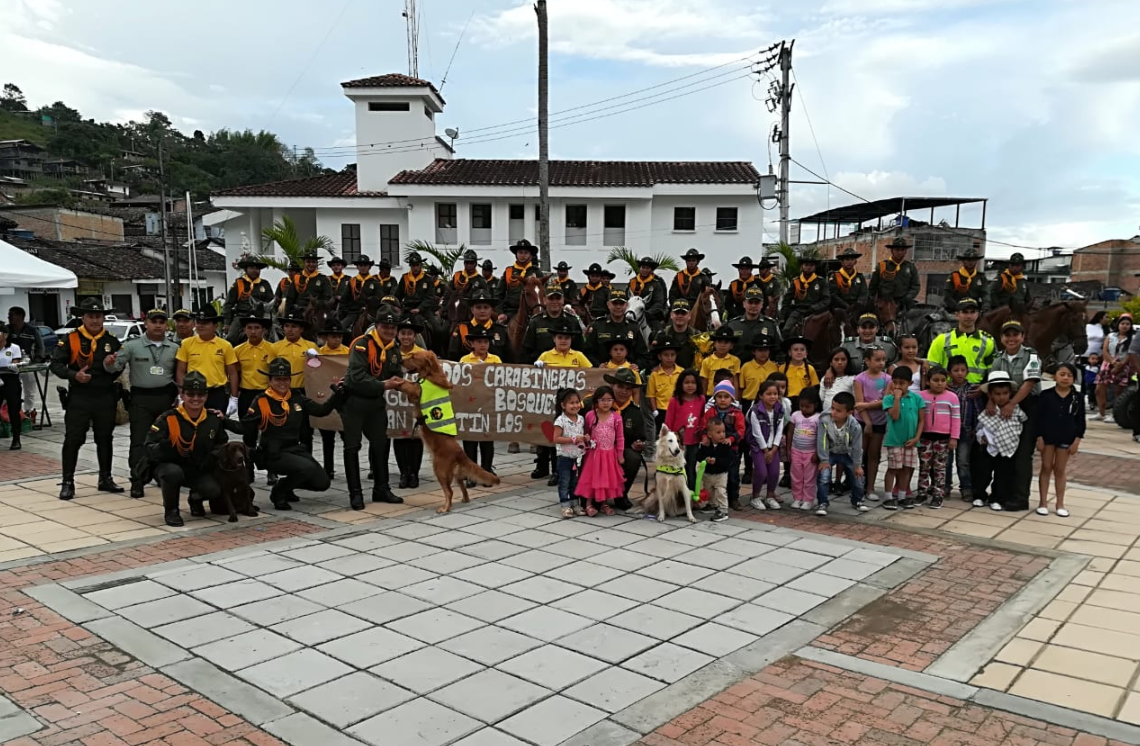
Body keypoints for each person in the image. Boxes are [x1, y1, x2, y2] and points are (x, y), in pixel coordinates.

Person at [243, 358, 343, 510]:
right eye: (277, 379)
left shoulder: (296, 397)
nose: (282, 383)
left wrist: (337, 395)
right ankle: (279, 493)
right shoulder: (261, 400)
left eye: (285, 379)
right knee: (306, 468)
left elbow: (321, 411)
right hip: (273, 454)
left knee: (322, 482)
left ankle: (286, 485)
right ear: (270, 380)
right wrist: (222, 420)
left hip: (294, 450)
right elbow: (244, 427)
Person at [51, 298, 124, 500]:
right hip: (80, 397)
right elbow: (55, 365)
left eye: (98, 316)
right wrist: (75, 375)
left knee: (105, 438)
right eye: (90, 316)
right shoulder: (70, 339)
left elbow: (120, 367)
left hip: (105, 396)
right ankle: (67, 482)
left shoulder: (111, 341)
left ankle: (105, 478)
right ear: (82, 317)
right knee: (73, 439)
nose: (94, 320)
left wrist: (111, 367)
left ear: (103, 318)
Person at [105, 309, 179, 496]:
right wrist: (108, 363)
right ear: (146, 323)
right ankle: (137, 479)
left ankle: (164, 476)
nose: (158, 325)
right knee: (139, 442)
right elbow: (115, 366)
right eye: (154, 321)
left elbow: (180, 374)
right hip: (141, 399)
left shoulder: (174, 348)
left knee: (166, 440)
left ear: (166, 325)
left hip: (165, 399)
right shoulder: (132, 346)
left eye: (162, 322)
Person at [143, 371, 228, 526]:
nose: (196, 399)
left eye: (200, 394)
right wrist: (166, 447)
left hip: (196, 467)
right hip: (169, 465)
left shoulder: (212, 419)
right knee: (172, 473)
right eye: (191, 394)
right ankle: (172, 511)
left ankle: (195, 498)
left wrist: (213, 456)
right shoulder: (168, 418)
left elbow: (221, 443)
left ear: (206, 396)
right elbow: (149, 447)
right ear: (182, 394)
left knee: (213, 490)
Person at [342, 308, 406, 509]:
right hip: (354, 402)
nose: (389, 330)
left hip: (376, 403)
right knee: (352, 447)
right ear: (376, 326)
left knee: (381, 444)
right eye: (385, 326)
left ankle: (381, 488)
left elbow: (396, 372)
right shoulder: (362, 345)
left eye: (393, 327)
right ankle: (355, 493)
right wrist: (384, 384)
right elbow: (356, 377)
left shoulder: (394, 349)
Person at [988, 319, 1041, 512]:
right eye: (1007, 335)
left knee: (1022, 455)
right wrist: (991, 402)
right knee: (1005, 452)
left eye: (1015, 334)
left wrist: (1012, 403)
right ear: (1001, 338)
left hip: (1027, 406)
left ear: (1022, 336)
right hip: (1004, 406)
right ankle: (1003, 495)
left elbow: (1029, 383)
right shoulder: (997, 359)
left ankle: (1020, 498)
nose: (1011, 339)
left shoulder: (1032, 356)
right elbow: (992, 385)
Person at [973, 370, 1027, 510]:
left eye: (1005, 393)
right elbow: (980, 426)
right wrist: (981, 437)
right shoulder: (989, 411)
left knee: (1002, 475)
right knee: (983, 473)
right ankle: (979, 495)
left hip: (1007, 449)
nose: (1001, 397)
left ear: (1010, 393)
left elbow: (1019, 425)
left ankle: (997, 498)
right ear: (990, 395)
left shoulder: (1016, 410)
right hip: (988, 447)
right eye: (997, 394)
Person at [1036, 362, 1084, 518]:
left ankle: (1060, 504)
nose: (1065, 378)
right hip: (1048, 436)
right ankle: (1043, 503)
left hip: (1067, 437)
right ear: (1055, 376)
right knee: (1046, 467)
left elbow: (1081, 420)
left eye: (1069, 375)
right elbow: (1039, 418)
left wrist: (1077, 440)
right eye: (1062, 374)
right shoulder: (1046, 395)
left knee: (1060, 470)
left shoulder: (1077, 397)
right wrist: (1039, 437)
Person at [233, 316, 275, 484]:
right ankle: (248, 470)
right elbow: (235, 374)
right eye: (249, 328)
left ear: (263, 330)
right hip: (247, 395)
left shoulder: (272, 349)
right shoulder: (238, 350)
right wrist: (234, 398)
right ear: (244, 330)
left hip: (267, 395)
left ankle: (272, 471)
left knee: (270, 434)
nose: (253, 331)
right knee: (248, 435)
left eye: (257, 328)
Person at [175, 307, 239, 415]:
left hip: (216, 393)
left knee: (216, 427)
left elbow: (232, 373)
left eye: (205, 323)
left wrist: (234, 398)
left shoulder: (225, 345)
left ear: (215, 326)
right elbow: (180, 371)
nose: (200, 326)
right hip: (193, 393)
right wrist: (181, 395)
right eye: (198, 322)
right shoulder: (186, 344)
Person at [270, 312, 319, 452]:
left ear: (301, 329)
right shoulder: (276, 347)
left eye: (294, 326)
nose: (289, 329)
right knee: (284, 430)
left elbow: (318, 371)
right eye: (286, 326)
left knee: (305, 431)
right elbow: (270, 373)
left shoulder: (311, 346)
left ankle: (307, 464)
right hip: (282, 393)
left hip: (303, 392)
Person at [815, 391, 867, 516]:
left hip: (847, 454)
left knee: (858, 477)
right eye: (832, 408)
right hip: (830, 453)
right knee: (824, 476)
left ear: (849, 412)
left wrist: (857, 465)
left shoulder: (855, 426)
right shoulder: (824, 420)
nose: (833, 412)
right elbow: (822, 441)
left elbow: (857, 446)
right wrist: (824, 460)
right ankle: (822, 502)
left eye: (838, 410)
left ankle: (857, 500)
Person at [576, 384, 625, 516]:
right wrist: (586, 441)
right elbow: (586, 433)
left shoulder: (616, 417)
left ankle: (604, 503)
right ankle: (588, 504)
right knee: (592, 478)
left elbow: (620, 437)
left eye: (609, 400)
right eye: (602, 399)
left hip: (609, 454)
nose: (606, 403)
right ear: (596, 400)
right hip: (594, 454)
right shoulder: (590, 415)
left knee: (606, 479)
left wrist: (620, 454)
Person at [881, 366, 925, 510]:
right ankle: (888, 497)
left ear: (910, 384)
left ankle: (901, 496)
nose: (898, 386)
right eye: (895, 383)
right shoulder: (888, 399)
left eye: (902, 383)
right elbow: (894, 415)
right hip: (895, 441)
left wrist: (916, 438)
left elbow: (921, 421)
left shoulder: (917, 399)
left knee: (907, 468)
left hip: (911, 441)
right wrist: (897, 399)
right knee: (893, 468)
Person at [459, 326, 500, 479]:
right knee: (470, 440)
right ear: (472, 343)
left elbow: (501, 379)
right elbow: (461, 382)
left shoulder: (495, 359)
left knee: (487, 439)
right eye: (479, 341)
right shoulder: (464, 360)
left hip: (489, 404)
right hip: (470, 405)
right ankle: (471, 471)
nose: (483, 345)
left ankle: (487, 469)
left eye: (486, 341)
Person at [917, 366, 960, 509]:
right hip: (925, 437)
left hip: (943, 439)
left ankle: (938, 494)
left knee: (940, 468)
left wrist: (954, 437)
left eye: (943, 380)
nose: (939, 383)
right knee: (924, 465)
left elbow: (956, 418)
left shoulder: (952, 397)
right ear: (928, 381)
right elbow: (918, 416)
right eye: (935, 380)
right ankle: (922, 492)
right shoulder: (921, 396)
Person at [925, 298, 995, 384]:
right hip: (947, 390)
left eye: (972, 312)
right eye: (965, 312)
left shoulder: (988, 340)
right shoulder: (942, 339)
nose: (969, 316)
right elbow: (932, 366)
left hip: (975, 391)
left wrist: (983, 387)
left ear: (978, 314)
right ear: (957, 315)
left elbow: (993, 370)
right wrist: (942, 384)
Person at [700, 379, 745, 510]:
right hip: (713, 450)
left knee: (732, 475)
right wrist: (704, 436)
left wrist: (731, 438)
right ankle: (711, 500)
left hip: (731, 450)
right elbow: (703, 426)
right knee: (711, 476)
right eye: (719, 397)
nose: (723, 400)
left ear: (732, 398)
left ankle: (734, 498)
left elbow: (741, 430)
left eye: (726, 397)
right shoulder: (710, 412)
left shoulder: (737, 413)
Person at [607, 368, 648, 510]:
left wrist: (639, 444)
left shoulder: (635, 412)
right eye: (620, 387)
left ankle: (621, 495)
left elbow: (640, 437)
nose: (623, 392)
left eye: (628, 389)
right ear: (612, 386)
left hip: (622, 452)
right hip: (599, 450)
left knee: (634, 457)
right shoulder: (600, 405)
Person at [393, 316, 426, 489]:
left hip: (416, 401)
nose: (406, 337)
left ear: (415, 336)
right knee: (399, 437)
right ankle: (403, 472)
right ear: (397, 335)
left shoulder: (422, 353)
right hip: (395, 402)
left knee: (416, 437)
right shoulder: (391, 352)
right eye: (403, 333)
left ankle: (414, 473)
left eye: (409, 334)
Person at [854, 347, 890, 502]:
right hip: (861, 421)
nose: (881, 363)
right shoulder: (859, 379)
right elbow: (858, 403)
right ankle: (857, 485)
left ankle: (870, 487)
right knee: (859, 454)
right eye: (877, 359)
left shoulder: (888, 379)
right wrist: (867, 422)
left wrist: (867, 406)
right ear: (867, 361)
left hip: (879, 422)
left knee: (873, 455)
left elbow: (886, 401)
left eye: (883, 360)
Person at [317, 320, 350, 480]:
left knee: (347, 436)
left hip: (343, 398)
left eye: (339, 336)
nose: (336, 340)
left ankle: (350, 465)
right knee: (327, 437)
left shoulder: (349, 353)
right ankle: (328, 468)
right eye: (333, 336)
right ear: (326, 337)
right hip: (326, 396)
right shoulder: (317, 354)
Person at [584, 288, 648, 370]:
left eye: (621, 304)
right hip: (602, 374)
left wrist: (637, 365)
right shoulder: (597, 325)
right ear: (608, 305)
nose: (618, 307)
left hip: (628, 375)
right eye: (615, 303)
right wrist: (598, 365)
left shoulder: (634, 327)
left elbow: (644, 355)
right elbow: (587, 352)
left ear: (626, 305)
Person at [745, 380, 784, 511]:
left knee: (774, 472)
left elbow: (779, 430)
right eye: (769, 394)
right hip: (758, 447)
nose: (773, 396)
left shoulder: (780, 409)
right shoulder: (755, 411)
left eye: (775, 393)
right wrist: (765, 450)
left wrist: (774, 449)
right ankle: (755, 496)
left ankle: (770, 496)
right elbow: (757, 433)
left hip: (773, 447)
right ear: (761, 395)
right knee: (761, 472)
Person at [523, 283, 584, 363]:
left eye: (558, 298)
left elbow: (580, 348)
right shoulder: (535, 322)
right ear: (544, 300)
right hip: (541, 370)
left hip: (568, 368)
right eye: (551, 298)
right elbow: (526, 351)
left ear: (563, 300)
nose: (555, 302)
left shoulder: (573, 321)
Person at [665, 369, 705, 491]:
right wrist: (670, 440)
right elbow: (668, 421)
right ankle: (676, 493)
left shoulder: (701, 399)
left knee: (691, 467)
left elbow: (703, 418)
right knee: (677, 468)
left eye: (693, 382)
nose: (690, 385)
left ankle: (691, 494)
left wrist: (703, 434)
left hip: (694, 440)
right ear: (680, 384)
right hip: (678, 443)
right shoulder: (675, 400)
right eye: (686, 382)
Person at [947, 356, 980, 502]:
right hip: (946, 432)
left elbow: (978, 410)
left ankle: (966, 488)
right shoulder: (945, 389)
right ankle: (944, 487)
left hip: (966, 431)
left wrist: (976, 428)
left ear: (967, 372)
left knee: (963, 461)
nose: (959, 373)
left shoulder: (973, 389)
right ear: (949, 373)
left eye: (962, 370)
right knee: (946, 461)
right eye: (956, 370)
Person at [551, 387, 587, 518]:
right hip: (564, 457)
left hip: (577, 457)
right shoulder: (560, 421)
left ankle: (575, 504)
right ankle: (565, 505)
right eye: (571, 403)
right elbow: (555, 439)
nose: (575, 405)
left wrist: (585, 439)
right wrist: (573, 439)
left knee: (575, 482)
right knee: (564, 482)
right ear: (563, 405)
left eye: (577, 402)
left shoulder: (581, 419)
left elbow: (581, 436)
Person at [223, 256, 275, 344]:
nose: (255, 270)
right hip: (242, 317)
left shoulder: (265, 284)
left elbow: (270, 302)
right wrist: (227, 323)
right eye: (251, 268)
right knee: (231, 338)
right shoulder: (238, 284)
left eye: (257, 268)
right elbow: (228, 304)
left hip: (261, 317)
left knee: (277, 335)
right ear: (246, 269)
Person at [450, 291, 511, 363]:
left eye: (486, 307)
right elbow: (452, 358)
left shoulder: (501, 330)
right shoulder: (462, 329)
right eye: (478, 307)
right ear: (472, 310)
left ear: (491, 309)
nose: (482, 311)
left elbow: (509, 358)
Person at [1094, 313, 1133, 423]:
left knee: (1118, 391)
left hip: (1123, 365)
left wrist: (1120, 365)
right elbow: (1105, 350)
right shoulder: (1111, 336)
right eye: (1122, 323)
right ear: (1118, 324)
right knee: (1099, 389)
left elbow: (1131, 353)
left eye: (1127, 324)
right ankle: (1101, 413)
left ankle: (1114, 414)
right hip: (1108, 363)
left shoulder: (1132, 338)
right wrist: (1112, 362)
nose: (1125, 326)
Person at [787, 389, 822, 511]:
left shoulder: (818, 418)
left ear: (815, 405)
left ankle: (808, 499)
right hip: (796, 451)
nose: (804, 409)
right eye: (802, 406)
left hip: (810, 453)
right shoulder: (795, 415)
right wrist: (788, 449)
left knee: (809, 477)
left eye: (807, 406)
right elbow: (790, 432)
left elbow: (820, 436)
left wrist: (817, 453)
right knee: (796, 476)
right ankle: (797, 498)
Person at [7, 306, 44, 418]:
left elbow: (41, 347)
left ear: (19, 317)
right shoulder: (7, 330)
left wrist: (37, 359)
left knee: (29, 389)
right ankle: (13, 413)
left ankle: (29, 411)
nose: (9, 317)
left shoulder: (32, 330)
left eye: (11, 315)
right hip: (11, 364)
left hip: (28, 362)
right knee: (11, 389)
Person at [780, 253, 830, 337]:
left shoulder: (821, 281)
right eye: (806, 265)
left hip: (816, 312)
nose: (809, 267)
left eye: (811, 265)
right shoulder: (796, 281)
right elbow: (787, 300)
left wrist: (815, 307)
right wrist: (782, 317)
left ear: (815, 267)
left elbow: (826, 299)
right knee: (786, 330)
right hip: (799, 311)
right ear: (802, 266)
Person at [724, 286, 782, 358]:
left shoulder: (771, 324)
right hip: (738, 367)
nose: (753, 306)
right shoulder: (733, 325)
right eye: (750, 302)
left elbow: (779, 349)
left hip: (764, 367)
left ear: (762, 304)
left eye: (757, 303)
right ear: (744, 303)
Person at [870, 237, 920, 315]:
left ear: (905, 251)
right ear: (892, 251)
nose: (900, 252)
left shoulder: (910, 267)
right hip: (885, 305)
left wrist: (906, 299)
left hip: (904, 305)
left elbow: (915, 286)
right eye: (897, 250)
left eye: (902, 250)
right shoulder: (882, 266)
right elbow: (872, 287)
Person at [697, 418, 733, 522]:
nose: (722, 435)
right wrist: (705, 459)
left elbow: (729, 460)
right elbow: (698, 456)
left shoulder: (726, 445)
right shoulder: (706, 445)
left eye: (723, 432)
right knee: (709, 491)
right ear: (709, 434)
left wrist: (716, 461)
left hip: (721, 474)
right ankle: (712, 505)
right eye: (718, 432)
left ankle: (723, 510)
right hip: (708, 473)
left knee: (721, 491)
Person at [498, 239, 541, 325]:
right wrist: (500, 312)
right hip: (511, 311)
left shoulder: (536, 272)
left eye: (526, 252)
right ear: (516, 255)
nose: (523, 255)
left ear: (530, 255)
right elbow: (499, 294)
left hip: (532, 311)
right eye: (520, 252)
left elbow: (543, 293)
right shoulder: (508, 271)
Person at [651, 300, 702, 371]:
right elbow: (652, 357)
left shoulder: (698, 336)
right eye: (677, 312)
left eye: (683, 313)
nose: (680, 316)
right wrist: (655, 367)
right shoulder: (662, 335)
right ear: (671, 315)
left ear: (689, 315)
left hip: (690, 377)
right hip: (667, 376)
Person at [285, 251, 333, 319]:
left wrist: (317, 304)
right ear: (304, 263)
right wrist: (286, 315)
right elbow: (290, 299)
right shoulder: (297, 278)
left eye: (313, 262)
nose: (311, 264)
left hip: (316, 311)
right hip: (298, 311)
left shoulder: (323, 279)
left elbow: (327, 298)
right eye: (308, 262)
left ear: (317, 264)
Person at [341, 255, 382, 333]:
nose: (363, 267)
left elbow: (380, 298)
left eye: (365, 265)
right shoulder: (352, 281)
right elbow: (344, 299)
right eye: (360, 265)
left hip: (370, 312)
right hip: (354, 312)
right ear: (357, 267)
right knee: (341, 327)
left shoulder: (375, 282)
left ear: (369, 267)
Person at [740, 335, 779, 414]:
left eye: (766, 350)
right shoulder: (745, 367)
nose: (763, 353)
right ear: (753, 351)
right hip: (749, 403)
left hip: (769, 403)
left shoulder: (775, 367)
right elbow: (741, 388)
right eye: (760, 350)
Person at [646, 340, 681, 428]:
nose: (669, 358)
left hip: (678, 409)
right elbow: (651, 395)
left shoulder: (682, 372)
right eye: (666, 355)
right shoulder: (654, 374)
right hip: (661, 411)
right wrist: (655, 411)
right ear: (659, 356)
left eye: (672, 355)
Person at [0, 322, 24, 450]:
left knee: (13, 409)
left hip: (10, 380)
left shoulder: (13, 348)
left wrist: (14, 366)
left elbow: (16, 364)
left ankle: (16, 439)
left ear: (5, 335)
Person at [943, 245, 987, 313]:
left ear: (976, 261)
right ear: (964, 261)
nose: (971, 262)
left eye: (973, 260)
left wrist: (985, 308)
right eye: (968, 260)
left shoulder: (981, 277)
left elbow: (986, 295)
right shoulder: (954, 276)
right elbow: (947, 296)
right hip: (956, 310)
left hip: (974, 310)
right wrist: (958, 308)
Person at [395, 252, 437, 321]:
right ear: (410, 266)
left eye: (417, 265)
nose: (415, 268)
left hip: (423, 310)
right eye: (413, 265)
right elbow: (398, 295)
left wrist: (419, 308)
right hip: (407, 309)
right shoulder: (405, 278)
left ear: (421, 265)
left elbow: (430, 298)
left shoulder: (427, 279)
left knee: (437, 328)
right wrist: (396, 306)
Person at [699, 327, 741, 396]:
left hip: (729, 396)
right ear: (714, 344)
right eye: (719, 341)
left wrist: (736, 399)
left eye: (726, 342)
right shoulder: (707, 361)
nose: (722, 345)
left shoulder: (735, 360)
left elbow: (735, 381)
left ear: (731, 346)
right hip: (711, 396)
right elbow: (704, 381)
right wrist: (703, 398)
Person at [628, 256, 668, 328]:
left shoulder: (656, 283)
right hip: (632, 313)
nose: (645, 270)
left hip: (650, 315)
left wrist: (647, 313)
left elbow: (658, 302)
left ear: (651, 270)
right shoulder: (632, 281)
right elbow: (626, 298)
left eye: (647, 268)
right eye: (643, 267)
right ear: (640, 268)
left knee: (659, 331)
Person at [828, 248, 869, 316]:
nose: (850, 262)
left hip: (857, 309)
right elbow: (833, 295)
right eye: (847, 259)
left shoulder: (860, 277)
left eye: (852, 259)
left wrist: (857, 304)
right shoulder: (835, 276)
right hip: (840, 309)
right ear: (842, 262)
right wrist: (846, 306)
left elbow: (864, 293)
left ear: (855, 262)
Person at [820, 347, 856, 414]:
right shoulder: (825, 379)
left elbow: (855, 400)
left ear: (848, 361)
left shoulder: (853, 379)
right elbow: (822, 399)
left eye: (843, 359)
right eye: (836, 359)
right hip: (827, 415)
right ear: (831, 363)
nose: (840, 362)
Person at [725, 256, 759, 321]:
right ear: (738, 270)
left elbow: (764, 301)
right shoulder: (733, 284)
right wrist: (736, 315)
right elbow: (728, 304)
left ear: (751, 270)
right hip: (736, 316)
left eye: (746, 269)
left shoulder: (758, 283)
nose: (744, 271)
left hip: (755, 316)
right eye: (742, 269)